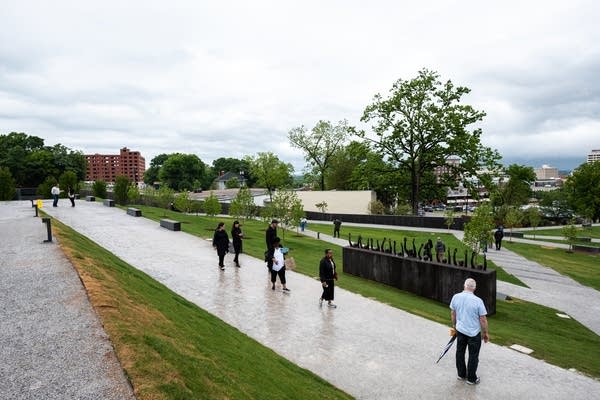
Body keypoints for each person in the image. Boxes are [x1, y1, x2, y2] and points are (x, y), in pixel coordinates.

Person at [450, 278, 489, 385]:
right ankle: (471, 379)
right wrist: (485, 333)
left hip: (460, 330)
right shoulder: (478, 301)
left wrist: (454, 326)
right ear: (474, 288)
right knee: (473, 355)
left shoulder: (456, 297)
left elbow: (453, 313)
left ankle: (461, 374)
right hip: (473, 333)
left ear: (464, 286)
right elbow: (483, 319)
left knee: (460, 352)